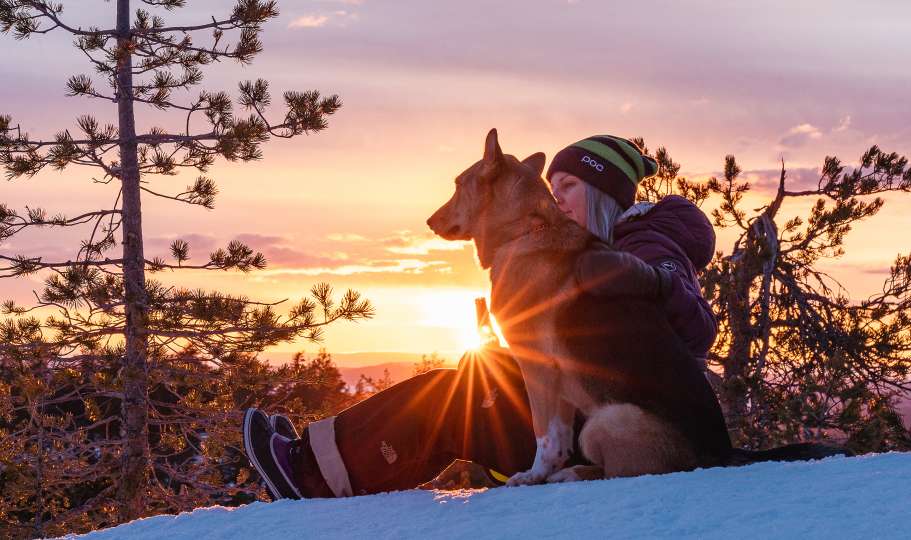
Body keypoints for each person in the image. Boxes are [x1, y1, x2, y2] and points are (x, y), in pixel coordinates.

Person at [242, 135, 720, 499]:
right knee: (468, 380)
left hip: (623, 428)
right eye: (552, 187)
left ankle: (308, 474)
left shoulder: (643, 241)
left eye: (570, 187)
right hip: (587, 416)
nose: (556, 199)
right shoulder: (571, 244)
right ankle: (336, 471)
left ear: (604, 194)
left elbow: (697, 326)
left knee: (453, 399)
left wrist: (654, 279)